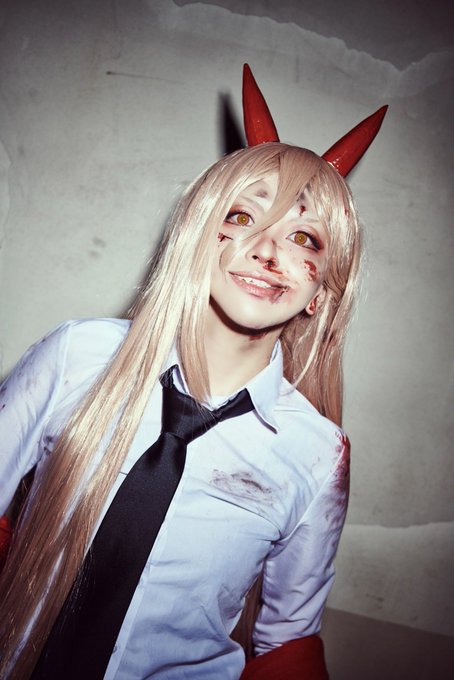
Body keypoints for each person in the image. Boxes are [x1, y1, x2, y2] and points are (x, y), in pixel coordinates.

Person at [0, 66, 386, 679]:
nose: (268, 250)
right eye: (242, 218)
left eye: (305, 237)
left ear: (321, 293)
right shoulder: (77, 355)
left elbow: (287, 646)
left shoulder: (318, 455)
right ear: (199, 239)